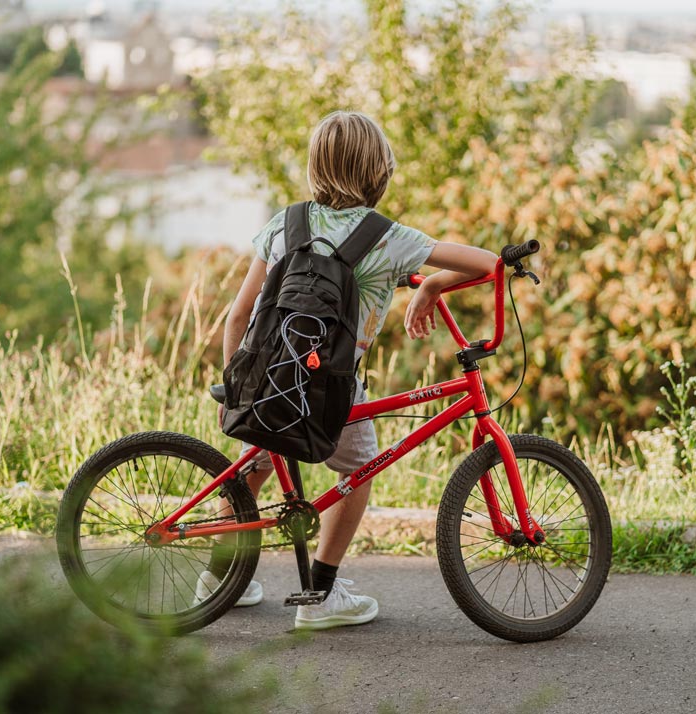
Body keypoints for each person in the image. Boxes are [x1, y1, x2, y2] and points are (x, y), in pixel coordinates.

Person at [196, 110, 498, 630]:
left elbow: (240, 314)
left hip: (272, 376)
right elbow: (488, 262)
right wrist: (430, 285)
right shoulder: (388, 240)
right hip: (335, 386)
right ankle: (321, 596)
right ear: (379, 169)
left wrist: (238, 379)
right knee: (359, 469)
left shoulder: (284, 223)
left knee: (256, 463)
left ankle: (221, 577)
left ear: (316, 166)